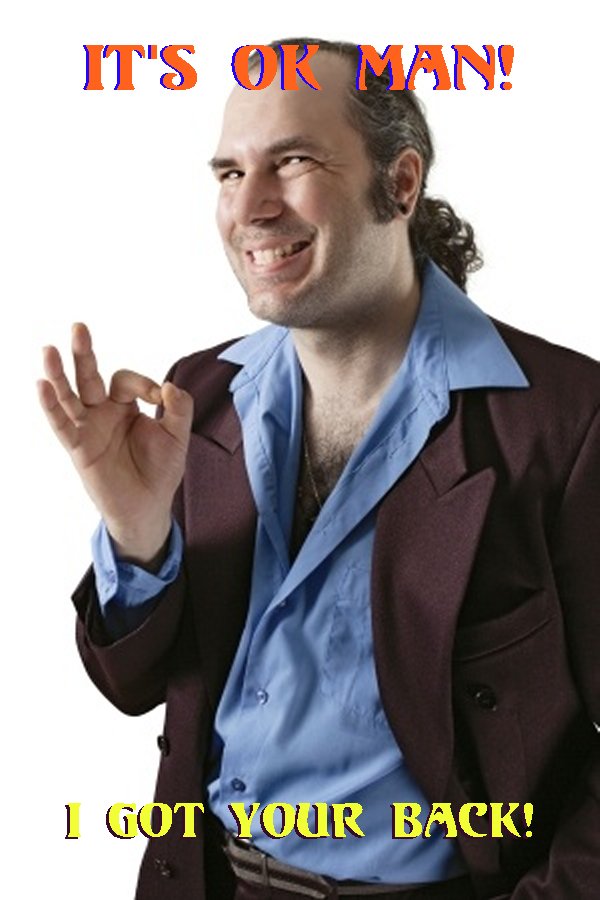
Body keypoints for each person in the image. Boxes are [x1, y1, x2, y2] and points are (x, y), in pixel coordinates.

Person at [38, 38, 600, 900]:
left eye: (292, 162)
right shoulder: (198, 395)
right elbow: (134, 685)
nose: (250, 206)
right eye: (230, 173)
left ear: (400, 183)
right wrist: (137, 539)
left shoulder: (565, 422)